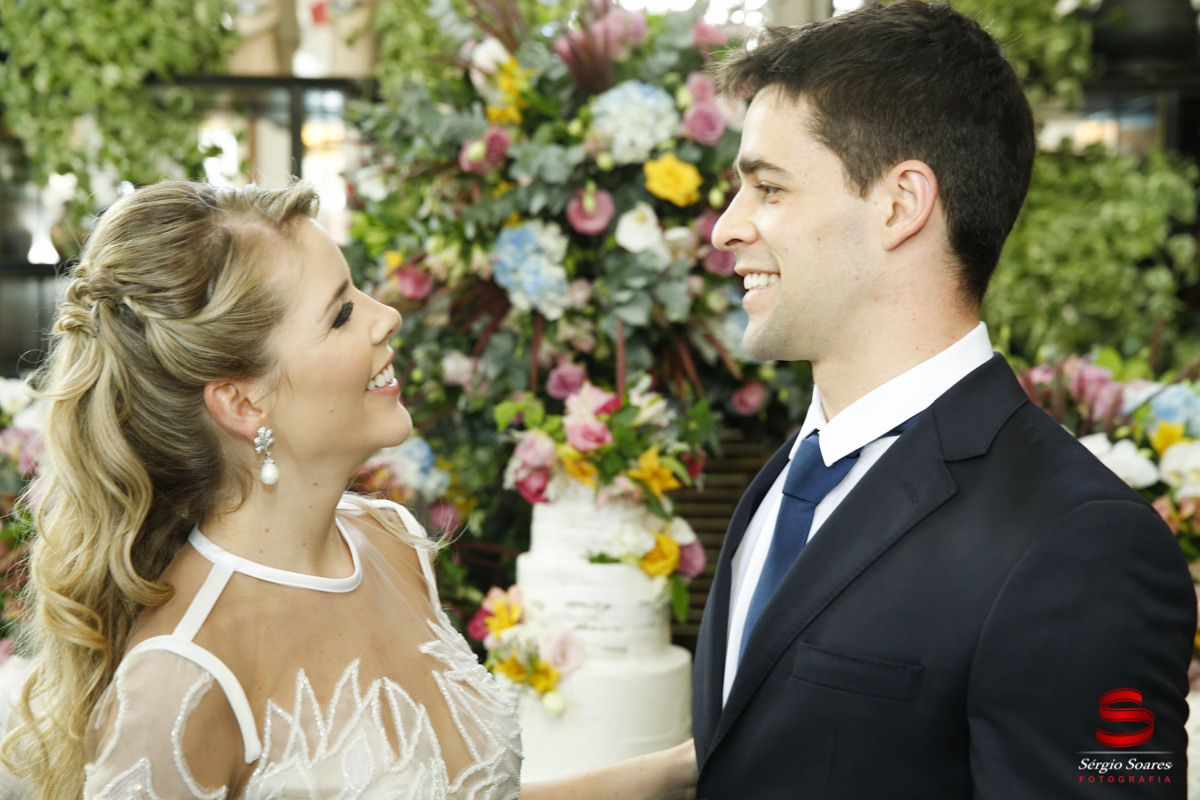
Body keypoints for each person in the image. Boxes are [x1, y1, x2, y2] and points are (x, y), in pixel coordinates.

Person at [0, 181, 697, 800]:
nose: (385, 315)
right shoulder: (183, 673)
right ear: (243, 402)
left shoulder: (391, 543)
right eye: (339, 314)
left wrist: (675, 773)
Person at [694, 2, 1196, 798]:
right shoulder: (788, 479)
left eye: (768, 188)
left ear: (901, 204)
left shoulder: (1084, 547)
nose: (727, 228)